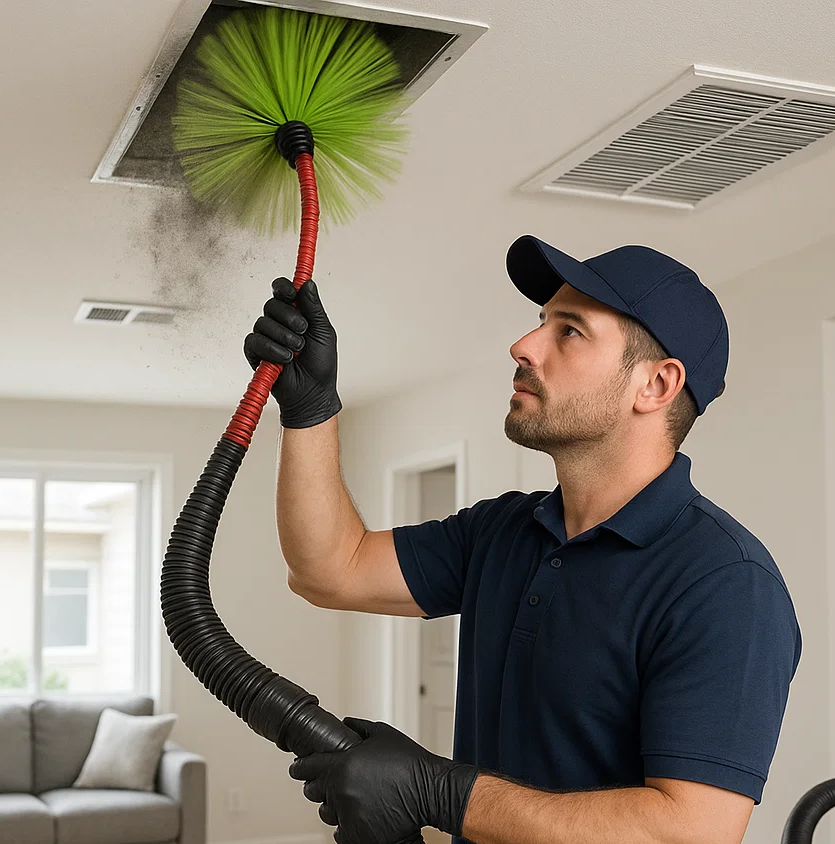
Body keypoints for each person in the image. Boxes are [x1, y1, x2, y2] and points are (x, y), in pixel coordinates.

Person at [243, 235, 802, 844]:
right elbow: (330, 567)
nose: (523, 345)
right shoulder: (505, 530)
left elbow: (689, 832)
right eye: (541, 322)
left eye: (570, 331)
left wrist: (438, 791)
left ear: (657, 386)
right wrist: (309, 409)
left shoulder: (724, 582)